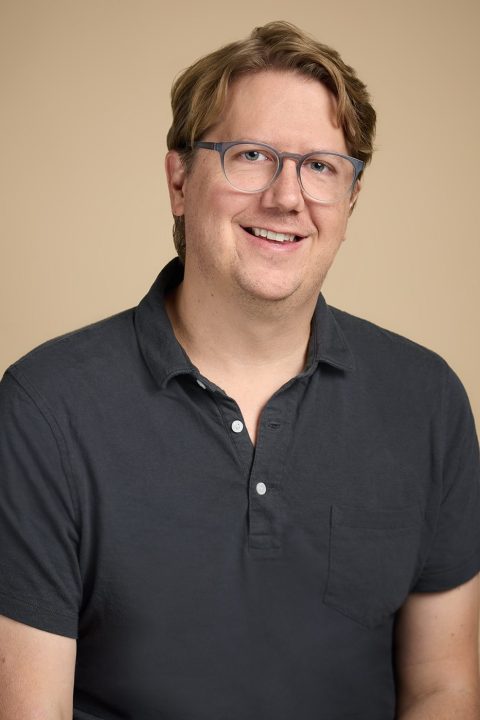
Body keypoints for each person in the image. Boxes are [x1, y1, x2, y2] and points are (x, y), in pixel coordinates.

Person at [0, 20, 479, 720]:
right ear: (179, 180)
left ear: (350, 200)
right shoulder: (45, 407)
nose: (287, 197)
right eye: (250, 155)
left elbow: (445, 690)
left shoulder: (427, 400)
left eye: (321, 166)